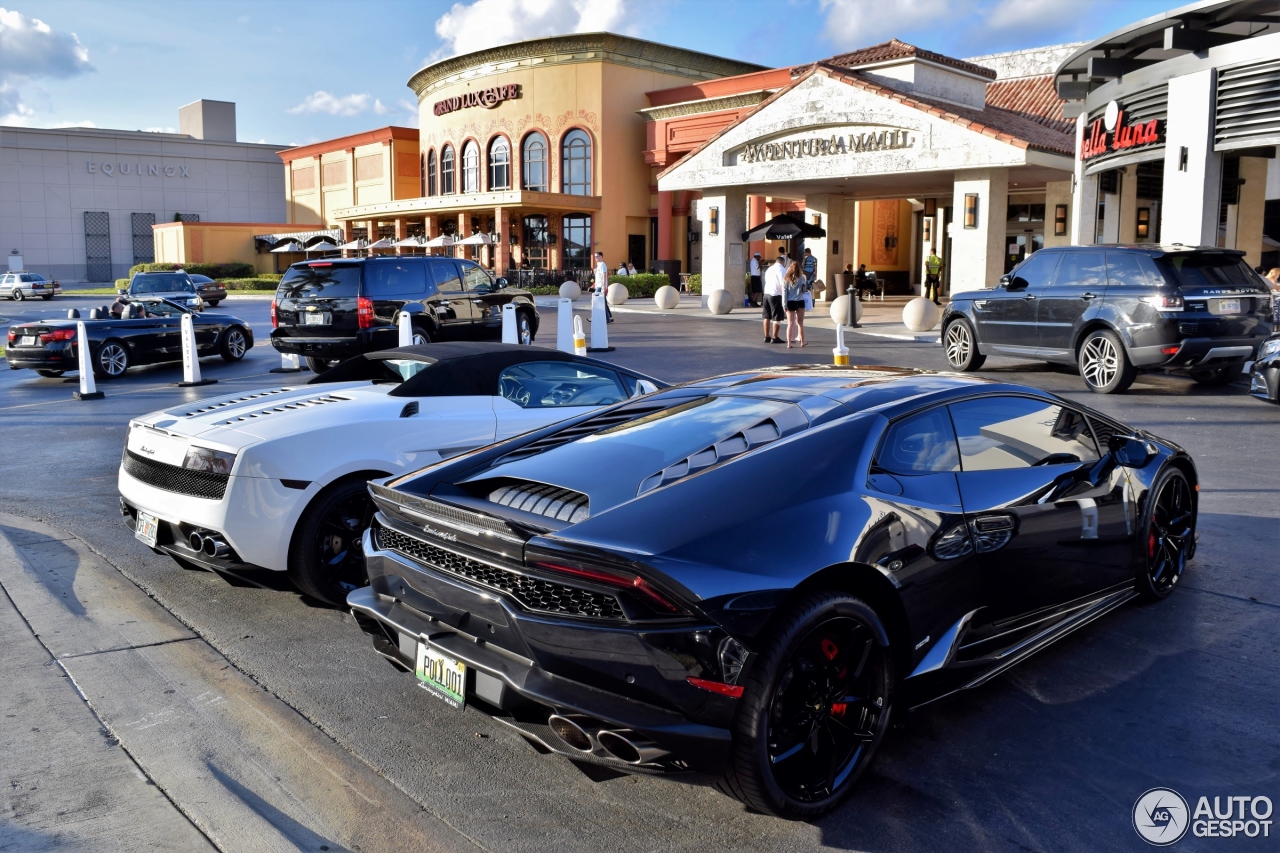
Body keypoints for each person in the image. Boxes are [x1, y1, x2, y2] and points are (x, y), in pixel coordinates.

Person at [762, 253, 787, 344]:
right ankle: (775, 337)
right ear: (783, 262)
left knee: (766, 316)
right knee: (776, 317)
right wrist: (785, 298)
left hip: (766, 294)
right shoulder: (782, 269)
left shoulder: (769, 269)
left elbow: (766, 280)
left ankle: (766, 336)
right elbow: (783, 284)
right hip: (776, 295)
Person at [783, 261, 807, 348]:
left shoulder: (786, 279)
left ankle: (789, 343)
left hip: (790, 301)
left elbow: (784, 293)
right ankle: (802, 342)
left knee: (790, 323)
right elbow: (804, 290)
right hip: (800, 301)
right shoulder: (802, 278)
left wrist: (784, 305)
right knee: (800, 323)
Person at [593, 251, 613, 323]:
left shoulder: (602, 265)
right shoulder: (599, 265)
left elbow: (605, 275)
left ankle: (601, 318)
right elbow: (599, 276)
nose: (596, 258)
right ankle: (608, 318)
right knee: (603, 302)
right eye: (595, 257)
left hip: (600, 286)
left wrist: (604, 286)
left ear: (601, 256)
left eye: (597, 256)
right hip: (599, 285)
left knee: (597, 301)